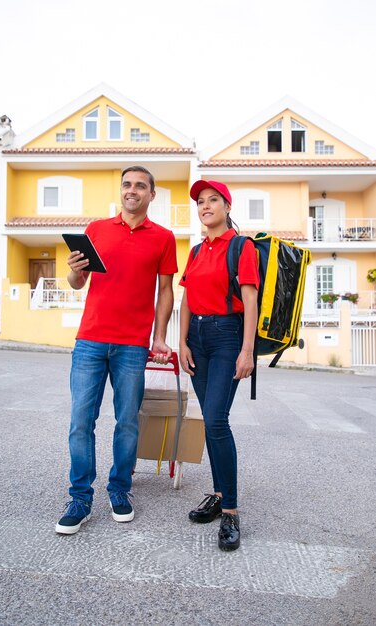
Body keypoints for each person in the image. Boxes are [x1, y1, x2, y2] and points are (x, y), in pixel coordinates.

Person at [56, 166, 178, 535]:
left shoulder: (164, 238)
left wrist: (159, 336)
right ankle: (80, 497)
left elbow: (166, 291)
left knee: (126, 422)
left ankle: (120, 490)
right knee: (81, 421)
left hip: (132, 344)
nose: (132, 190)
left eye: (140, 186)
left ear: (151, 195)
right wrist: (74, 271)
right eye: (127, 184)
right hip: (90, 340)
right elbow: (78, 283)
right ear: (121, 191)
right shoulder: (96, 230)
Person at [179, 180, 259, 551]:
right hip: (197, 338)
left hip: (228, 335)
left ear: (227, 207)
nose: (205, 206)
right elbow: (187, 301)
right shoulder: (195, 251)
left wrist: (247, 351)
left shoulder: (242, 247)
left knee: (215, 421)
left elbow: (250, 300)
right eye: (200, 202)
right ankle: (217, 492)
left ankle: (230, 510)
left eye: (213, 200)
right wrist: (181, 342)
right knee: (210, 422)